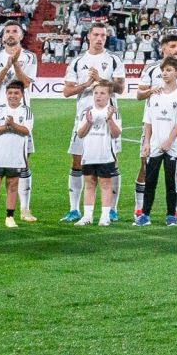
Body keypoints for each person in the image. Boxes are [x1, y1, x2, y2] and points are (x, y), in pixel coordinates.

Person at [61, 23, 125, 222]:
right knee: (77, 161)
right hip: (84, 117)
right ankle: (74, 209)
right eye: (96, 35)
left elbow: (121, 88)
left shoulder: (113, 60)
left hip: (108, 117)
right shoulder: (78, 61)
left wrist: (102, 79)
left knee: (111, 162)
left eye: (103, 35)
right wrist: (87, 84)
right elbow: (67, 91)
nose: (99, 39)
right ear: (88, 36)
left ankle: (111, 209)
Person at [0, 21, 38, 221]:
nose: (11, 34)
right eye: (7, 31)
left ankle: (24, 209)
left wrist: (16, 64)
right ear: (3, 36)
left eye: (15, 31)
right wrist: (7, 66)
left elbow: (27, 83)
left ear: (21, 36)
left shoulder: (30, 57)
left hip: (21, 115)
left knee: (23, 163)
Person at [132, 33, 177, 221]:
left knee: (171, 179)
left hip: (172, 143)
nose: (165, 73)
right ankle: (142, 213)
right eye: (163, 71)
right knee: (149, 178)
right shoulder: (153, 93)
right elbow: (147, 119)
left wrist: (169, 140)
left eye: (169, 71)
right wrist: (147, 141)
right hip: (154, 142)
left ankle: (172, 214)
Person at [0, 81, 32, 228]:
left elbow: (26, 131)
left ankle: (9, 217)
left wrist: (13, 125)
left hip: (16, 155)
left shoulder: (26, 111)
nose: (13, 96)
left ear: (22, 95)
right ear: (6, 94)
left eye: (16, 93)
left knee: (12, 186)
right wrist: (7, 126)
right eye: (10, 93)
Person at [74, 84, 124, 226]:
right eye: (96, 93)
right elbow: (80, 133)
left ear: (109, 95)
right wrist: (88, 123)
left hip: (105, 156)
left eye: (102, 93)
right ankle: (87, 216)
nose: (98, 96)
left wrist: (109, 119)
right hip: (89, 155)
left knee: (105, 185)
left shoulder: (113, 112)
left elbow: (116, 134)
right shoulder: (87, 112)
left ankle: (105, 216)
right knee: (89, 184)